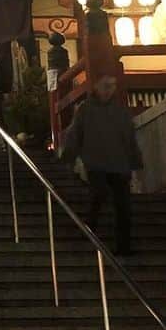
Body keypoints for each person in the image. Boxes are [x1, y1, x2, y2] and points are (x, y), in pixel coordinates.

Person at [60, 75, 143, 255]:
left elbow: (129, 138)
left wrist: (135, 161)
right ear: (97, 87)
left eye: (111, 86)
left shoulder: (119, 111)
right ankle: (90, 229)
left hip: (118, 163)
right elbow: (75, 135)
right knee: (100, 195)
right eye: (105, 86)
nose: (108, 90)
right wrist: (69, 156)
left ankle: (122, 245)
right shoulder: (86, 110)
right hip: (97, 162)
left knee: (122, 205)